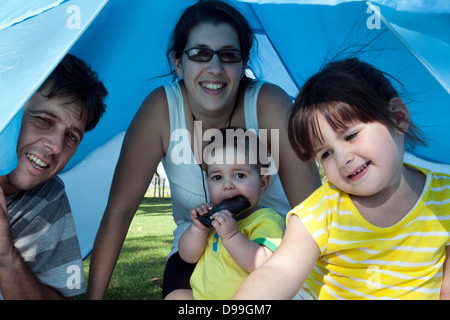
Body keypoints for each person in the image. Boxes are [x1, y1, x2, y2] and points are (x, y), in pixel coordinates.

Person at [86, 0, 321, 299]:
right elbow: (119, 212)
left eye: (228, 55)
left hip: (273, 247)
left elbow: (313, 211)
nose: (215, 68)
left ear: (243, 62)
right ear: (178, 62)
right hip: (198, 248)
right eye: (199, 54)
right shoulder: (161, 109)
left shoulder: (268, 104)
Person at [233, 58, 450, 300]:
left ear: (397, 118)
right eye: (326, 153)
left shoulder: (445, 197)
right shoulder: (320, 214)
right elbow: (277, 272)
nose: (343, 158)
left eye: (351, 136)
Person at [0, 53, 108, 299]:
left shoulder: (48, 195)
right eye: (44, 120)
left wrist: (6, 256)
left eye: (71, 136)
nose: (57, 147)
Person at [165, 127, 284, 300]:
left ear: (262, 183)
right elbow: (187, 256)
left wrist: (231, 236)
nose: (227, 185)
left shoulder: (266, 220)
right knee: (175, 297)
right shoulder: (212, 219)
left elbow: (264, 264)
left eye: (239, 175)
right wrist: (199, 229)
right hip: (203, 298)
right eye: (217, 177)